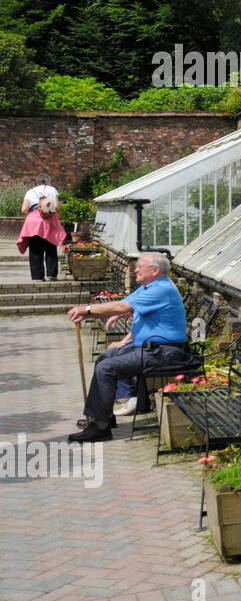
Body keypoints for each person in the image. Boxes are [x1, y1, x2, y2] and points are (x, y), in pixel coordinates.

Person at [66, 252, 193, 443]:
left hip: (165, 352)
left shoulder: (162, 289)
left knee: (106, 368)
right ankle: (104, 417)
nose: (134, 270)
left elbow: (123, 307)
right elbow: (126, 305)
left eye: (139, 267)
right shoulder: (148, 287)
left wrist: (87, 309)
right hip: (149, 348)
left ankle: (100, 428)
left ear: (155, 270)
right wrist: (90, 315)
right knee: (105, 358)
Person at [17, 176, 64, 281]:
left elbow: (24, 209)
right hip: (49, 220)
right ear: (46, 182)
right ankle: (52, 274)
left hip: (33, 223)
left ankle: (37, 276)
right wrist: (47, 211)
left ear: (36, 183)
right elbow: (56, 207)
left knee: (35, 249)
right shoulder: (52, 189)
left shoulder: (30, 192)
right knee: (50, 246)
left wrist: (34, 214)